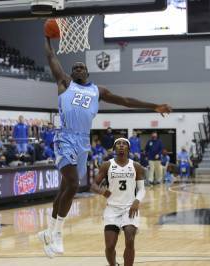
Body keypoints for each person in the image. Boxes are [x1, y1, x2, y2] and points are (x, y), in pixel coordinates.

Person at [37, 35, 171, 258]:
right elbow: (51, 56)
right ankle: (58, 233)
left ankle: (48, 231)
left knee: (64, 188)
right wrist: (48, 39)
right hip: (65, 137)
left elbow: (126, 101)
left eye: (82, 67)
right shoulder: (64, 83)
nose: (78, 69)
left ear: (87, 73)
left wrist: (154, 106)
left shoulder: (97, 91)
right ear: (71, 73)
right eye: (75, 67)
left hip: (82, 142)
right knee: (72, 183)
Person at [90, 138, 145, 266]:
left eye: (124, 144)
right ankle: (113, 264)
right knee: (109, 246)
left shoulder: (136, 166)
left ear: (128, 148)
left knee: (130, 240)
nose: (121, 146)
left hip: (129, 208)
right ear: (114, 148)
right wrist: (102, 191)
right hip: (112, 209)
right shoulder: (107, 165)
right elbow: (93, 185)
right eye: (118, 144)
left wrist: (137, 201)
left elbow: (142, 189)